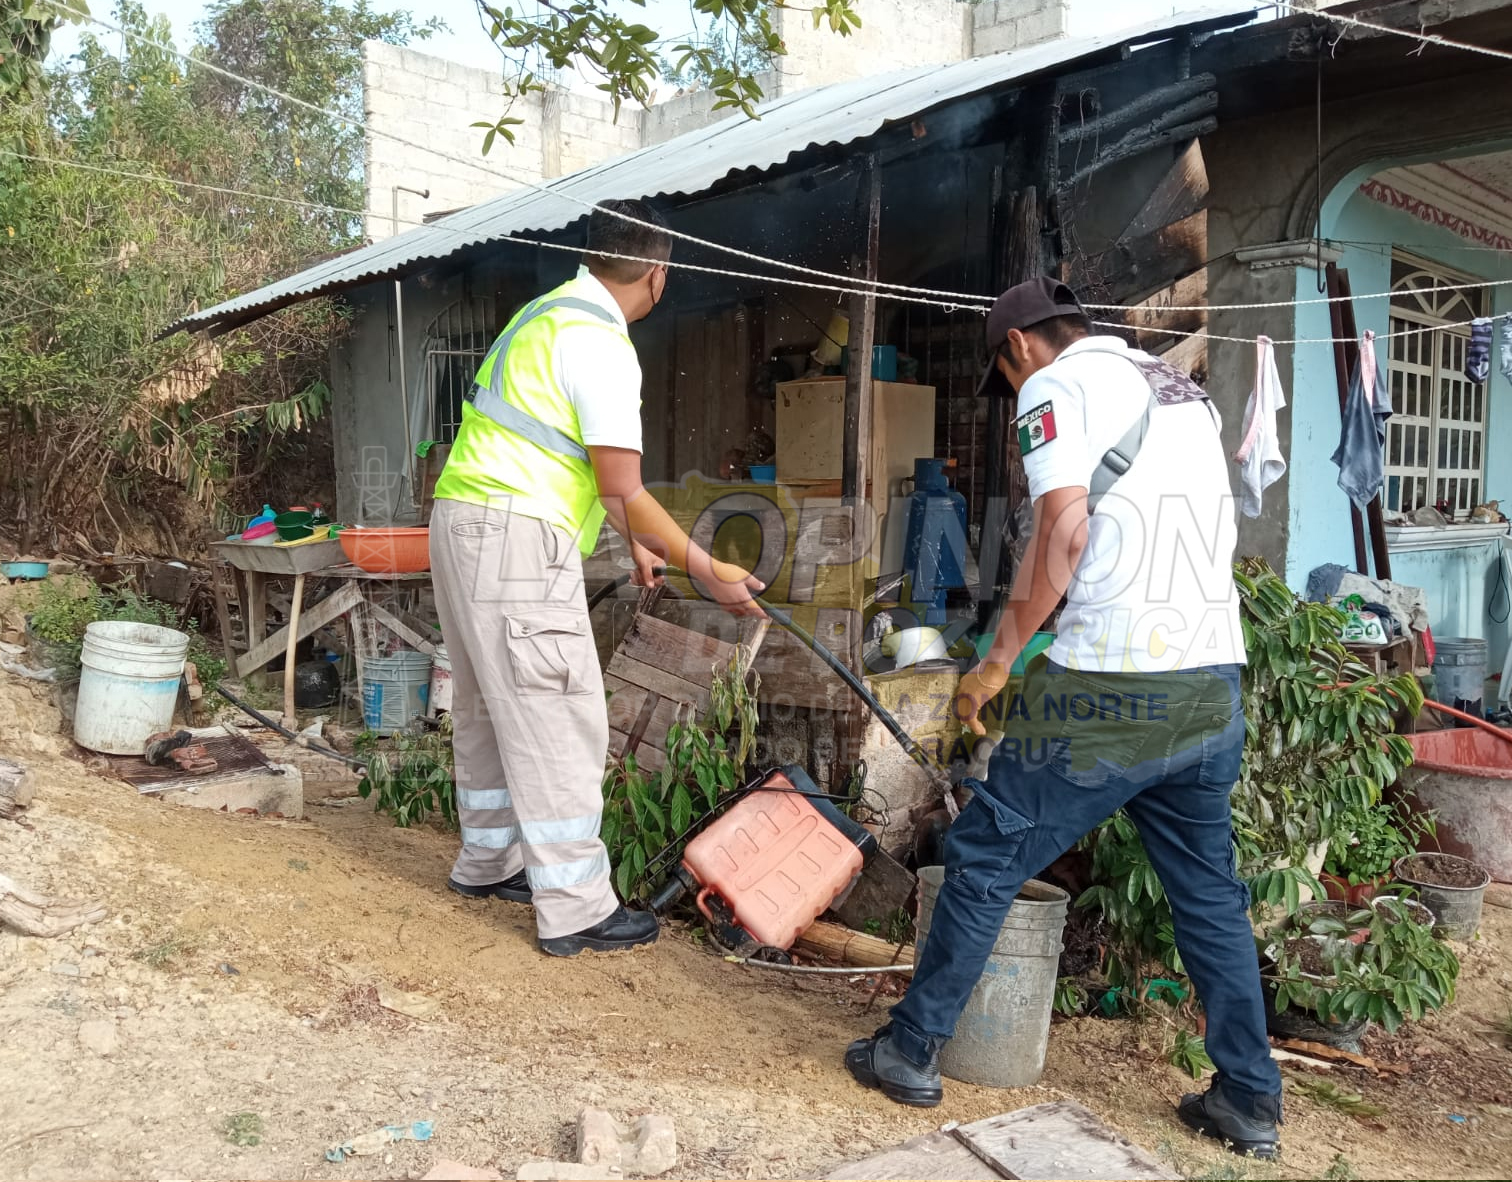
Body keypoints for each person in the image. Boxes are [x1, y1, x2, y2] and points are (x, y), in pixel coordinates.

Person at [844, 278, 1284, 1159]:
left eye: (1003, 381)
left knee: (983, 855)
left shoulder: (1053, 386)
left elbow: (1063, 537)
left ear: (1018, 351)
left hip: (1109, 688)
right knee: (1208, 896)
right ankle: (1248, 1098)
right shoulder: (1178, 387)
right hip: (1208, 683)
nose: (1011, 398)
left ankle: (910, 1048)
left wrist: (998, 658)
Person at [428, 198, 765, 958]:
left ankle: (490, 860)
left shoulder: (544, 316)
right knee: (559, 707)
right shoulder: (603, 344)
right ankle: (577, 904)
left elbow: (561, 451)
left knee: (486, 697)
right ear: (658, 270)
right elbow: (622, 483)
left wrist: (630, 541)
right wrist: (707, 570)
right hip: (514, 536)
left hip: (463, 519)